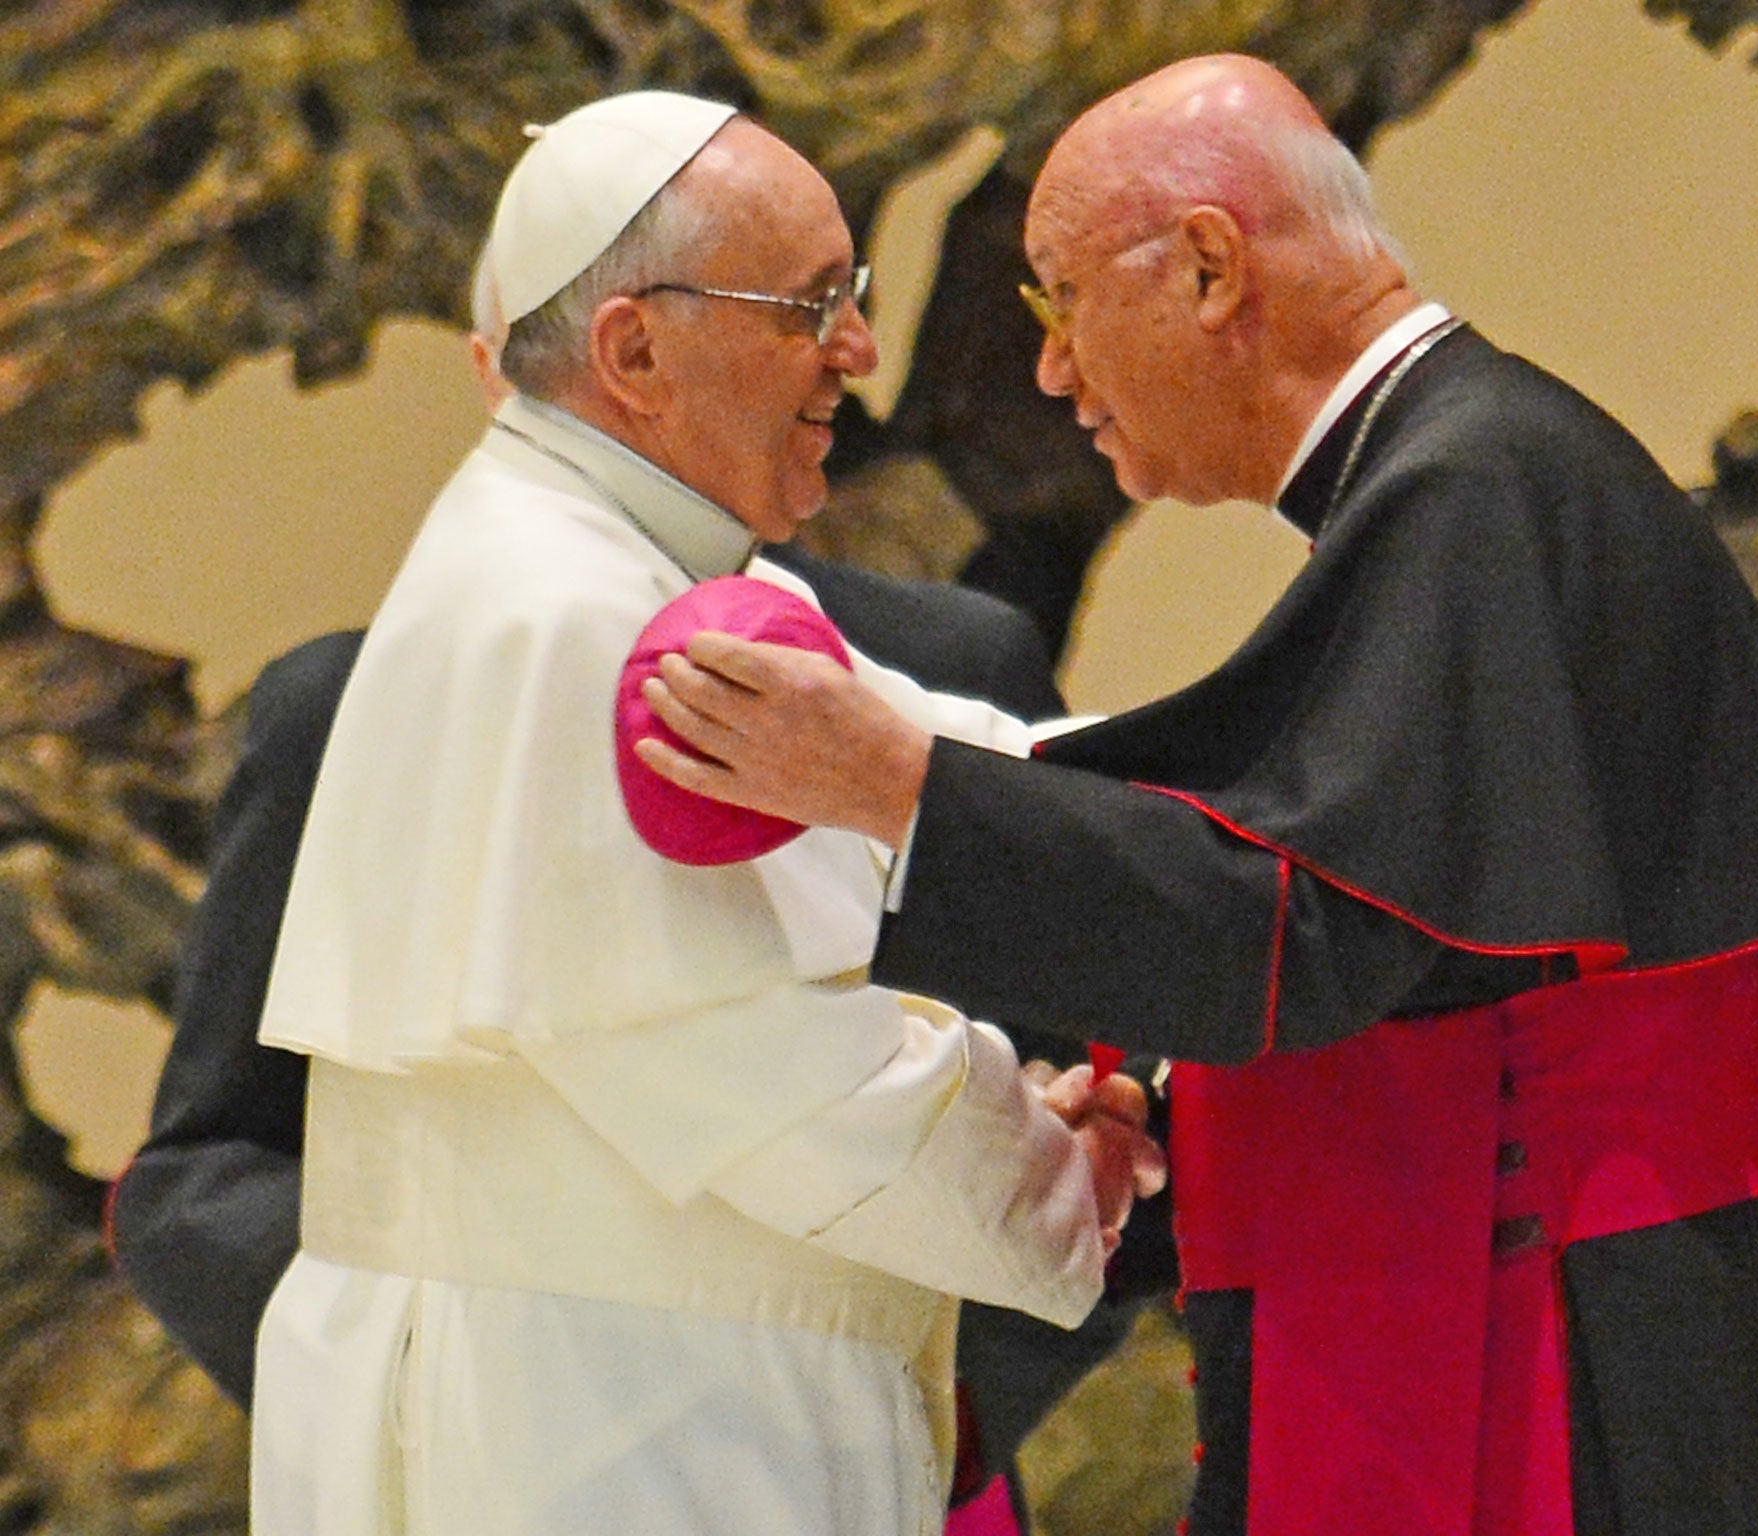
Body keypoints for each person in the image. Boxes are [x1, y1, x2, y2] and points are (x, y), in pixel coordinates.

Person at [631, 54, 1758, 1536]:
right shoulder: (1469, 472)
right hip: (1597, 1307)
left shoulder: (1470, 485)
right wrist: (1175, 1116)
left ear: (1212, 267)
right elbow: (1395, 936)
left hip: (1574, 1348)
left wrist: (901, 787)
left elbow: (1295, 930)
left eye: (1056, 302)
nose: (1050, 371)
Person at [240, 89, 1162, 1536]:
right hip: (599, 1427)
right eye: (811, 306)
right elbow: (756, 1064)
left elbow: (960, 766)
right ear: (634, 352)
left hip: (663, 1393)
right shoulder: (561, 614)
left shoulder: (648, 564)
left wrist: (1254, 794)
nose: (860, 349)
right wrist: (1058, 1169)